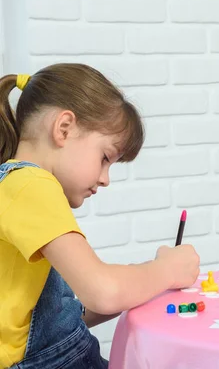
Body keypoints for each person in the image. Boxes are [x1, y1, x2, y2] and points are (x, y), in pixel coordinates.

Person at [0, 63, 200, 369]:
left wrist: (147, 277)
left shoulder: (19, 190)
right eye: (105, 158)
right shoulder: (31, 185)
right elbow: (102, 293)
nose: (106, 178)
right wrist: (167, 270)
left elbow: (69, 317)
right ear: (63, 128)